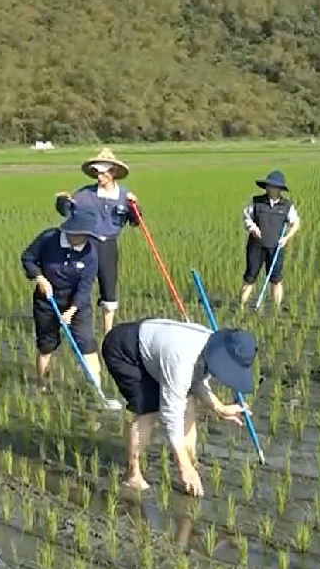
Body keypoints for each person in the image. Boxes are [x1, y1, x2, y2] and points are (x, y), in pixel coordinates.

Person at [100, 318, 256, 497]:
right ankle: (132, 474)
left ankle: (189, 458)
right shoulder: (182, 359)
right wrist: (184, 469)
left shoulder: (209, 348)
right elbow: (170, 416)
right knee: (149, 410)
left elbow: (197, 382)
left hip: (156, 350)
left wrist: (220, 408)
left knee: (189, 400)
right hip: (124, 350)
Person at [20, 206, 116, 398]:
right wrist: (39, 278)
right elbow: (28, 258)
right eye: (82, 235)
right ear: (72, 231)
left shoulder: (90, 252)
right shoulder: (49, 239)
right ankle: (42, 384)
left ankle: (98, 391)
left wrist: (71, 311)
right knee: (46, 345)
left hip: (77, 305)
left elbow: (85, 286)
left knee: (87, 344)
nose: (84, 239)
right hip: (46, 301)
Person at [54, 148, 141, 335]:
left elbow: (136, 222)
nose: (100, 176)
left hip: (108, 245)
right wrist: (62, 201)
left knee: (108, 286)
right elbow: (67, 210)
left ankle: (107, 331)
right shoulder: (85, 194)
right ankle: (70, 320)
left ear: (113, 173)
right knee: (78, 282)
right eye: (97, 172)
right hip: (86, 243)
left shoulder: (124, 196)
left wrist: (135, 207)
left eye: (103, 172)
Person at [239, 170, 300, 309]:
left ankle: (276, 309)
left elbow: (295, 223)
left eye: (274, 186)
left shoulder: (286, 206)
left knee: (276, 279)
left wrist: (286, 238)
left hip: (276, 247)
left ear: (279, 189)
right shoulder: (256, 202)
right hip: (256, 246)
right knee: (250, 277)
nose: (271, 188)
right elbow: (246, 218)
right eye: (269, 186)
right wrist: (253, 228)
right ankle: (241, 307)